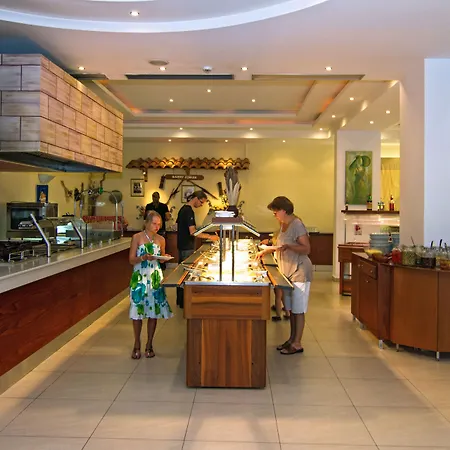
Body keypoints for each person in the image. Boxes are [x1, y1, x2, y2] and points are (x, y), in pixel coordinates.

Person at [257, 196, 312, 355]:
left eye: (275, 212)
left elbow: (306, 248)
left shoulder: (297, 224)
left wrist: (289, 246)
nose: (274, 215)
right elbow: (281, 246)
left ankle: (297, 343)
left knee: (298, 310)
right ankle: (291, 339)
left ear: (283, 210)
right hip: (287, 271)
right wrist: (269, 249)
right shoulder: (283, 225)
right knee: (291, 309)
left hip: (300, 271)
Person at [129, 211, 173, 359]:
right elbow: (131, 259)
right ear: (146, 223)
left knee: (153, 311)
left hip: (155, 277)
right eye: (154, 223)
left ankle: (149, 344)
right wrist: (143, 257)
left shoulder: (161, 239)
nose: (157, 227)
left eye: (159, 224)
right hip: (140, 276)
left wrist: (164, 258)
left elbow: (160, 257)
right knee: (137, 311)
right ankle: (137, 344)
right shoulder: (137, 237)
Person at [176, 190, 219, 307]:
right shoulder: (188, 211)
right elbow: (193, 232)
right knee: (186, 274)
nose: (201, 205)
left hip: (182, 245)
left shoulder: (183, 209)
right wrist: (210, 237)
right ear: (196, 198)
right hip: (186, 246)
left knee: (182, 274)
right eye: (201, 202)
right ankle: (184, 302)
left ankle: (180, 300)